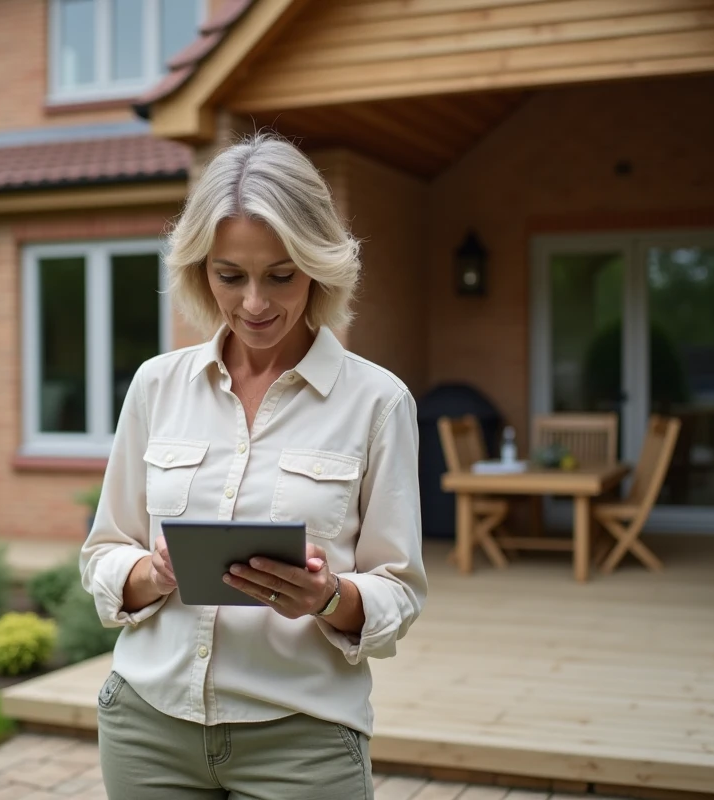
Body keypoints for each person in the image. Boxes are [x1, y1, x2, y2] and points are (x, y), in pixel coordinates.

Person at [78, 132, 427, 800]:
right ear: (200, 270)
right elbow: (102, 555)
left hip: (303, 743)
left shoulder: (378, 402)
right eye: (230, 276)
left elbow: (400, 590)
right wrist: (152, 573)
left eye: (280, 275)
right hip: (147, 733)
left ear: (318, 265)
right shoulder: (157, 386)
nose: (255, 304)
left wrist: (330, 599)